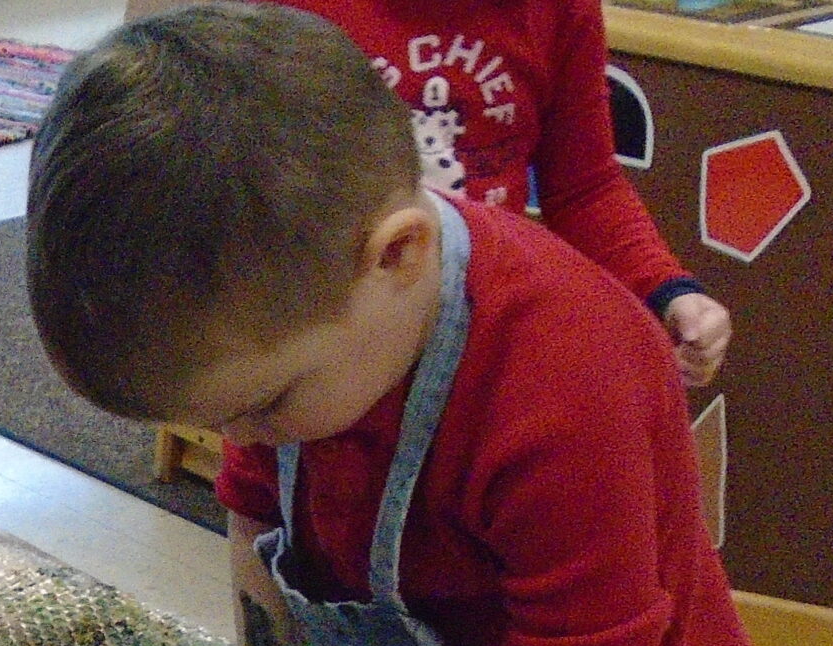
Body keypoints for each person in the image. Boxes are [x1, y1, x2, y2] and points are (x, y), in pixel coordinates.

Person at [28, 4, 769, 646]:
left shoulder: (564, 390)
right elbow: (257, 508)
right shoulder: (320, 330)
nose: (245, 438)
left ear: (398, 256)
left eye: (262, 405)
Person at [289, 0, 732, 384]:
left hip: (480, 340)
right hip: (327, 334)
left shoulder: (557, 11)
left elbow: (584, 190)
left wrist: (668, 290)